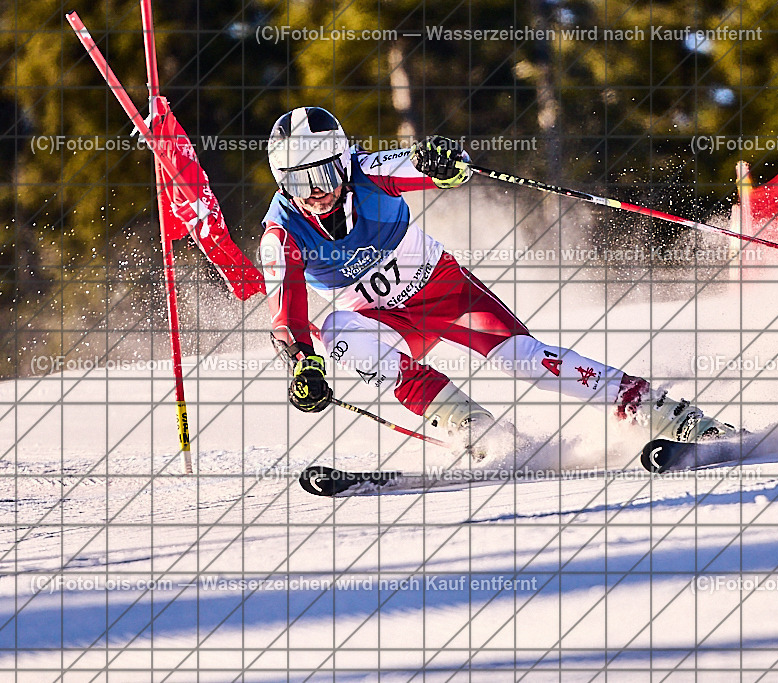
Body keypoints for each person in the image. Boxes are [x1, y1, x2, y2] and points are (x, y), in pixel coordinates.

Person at [260, 106, 735, 460]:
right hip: (383, 321)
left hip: (444, 290)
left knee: (522, 360)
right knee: (339, 333)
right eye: (296, 183)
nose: (314, 192)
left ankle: (662, 411)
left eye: (321, 174)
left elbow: (431, 167)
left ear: (342, 161)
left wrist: (443, 161)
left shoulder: (369, 171)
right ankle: (473, 427)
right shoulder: (281, 235)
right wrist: (303, 367)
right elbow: (288, 318)